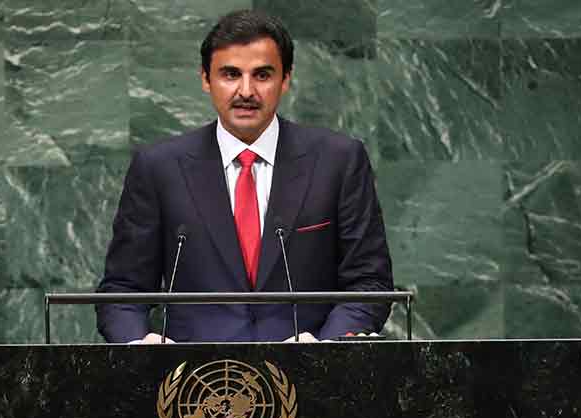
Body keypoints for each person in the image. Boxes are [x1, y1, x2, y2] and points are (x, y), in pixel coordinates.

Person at [96, 9, 393, 343]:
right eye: (231, 74)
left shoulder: (338, 161)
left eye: (262, 75)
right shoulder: (159, 168)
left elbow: (369, 283)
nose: (246, 91)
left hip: (310, 369)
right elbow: (122, 291)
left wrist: (326, 351)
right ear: (206, 79)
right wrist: (140, 349)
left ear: (286, 79)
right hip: (193, 372)